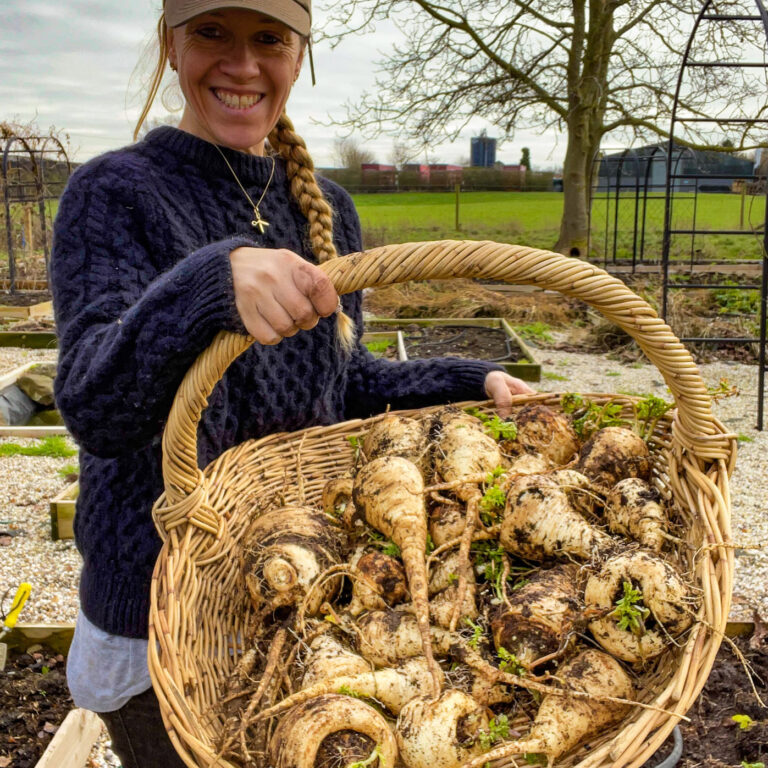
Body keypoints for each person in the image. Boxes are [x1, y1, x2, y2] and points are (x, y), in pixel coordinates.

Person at [50, 1, 534, 765]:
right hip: (163, 617)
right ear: (171, 46)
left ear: (299, 55)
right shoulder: (114, 193)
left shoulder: (328, 209)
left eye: (268, 39)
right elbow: (93, 406)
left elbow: (344, 388)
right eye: (213, 33)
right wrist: (210, 284)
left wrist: (479, 380)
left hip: (301, 596)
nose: (242, 64)